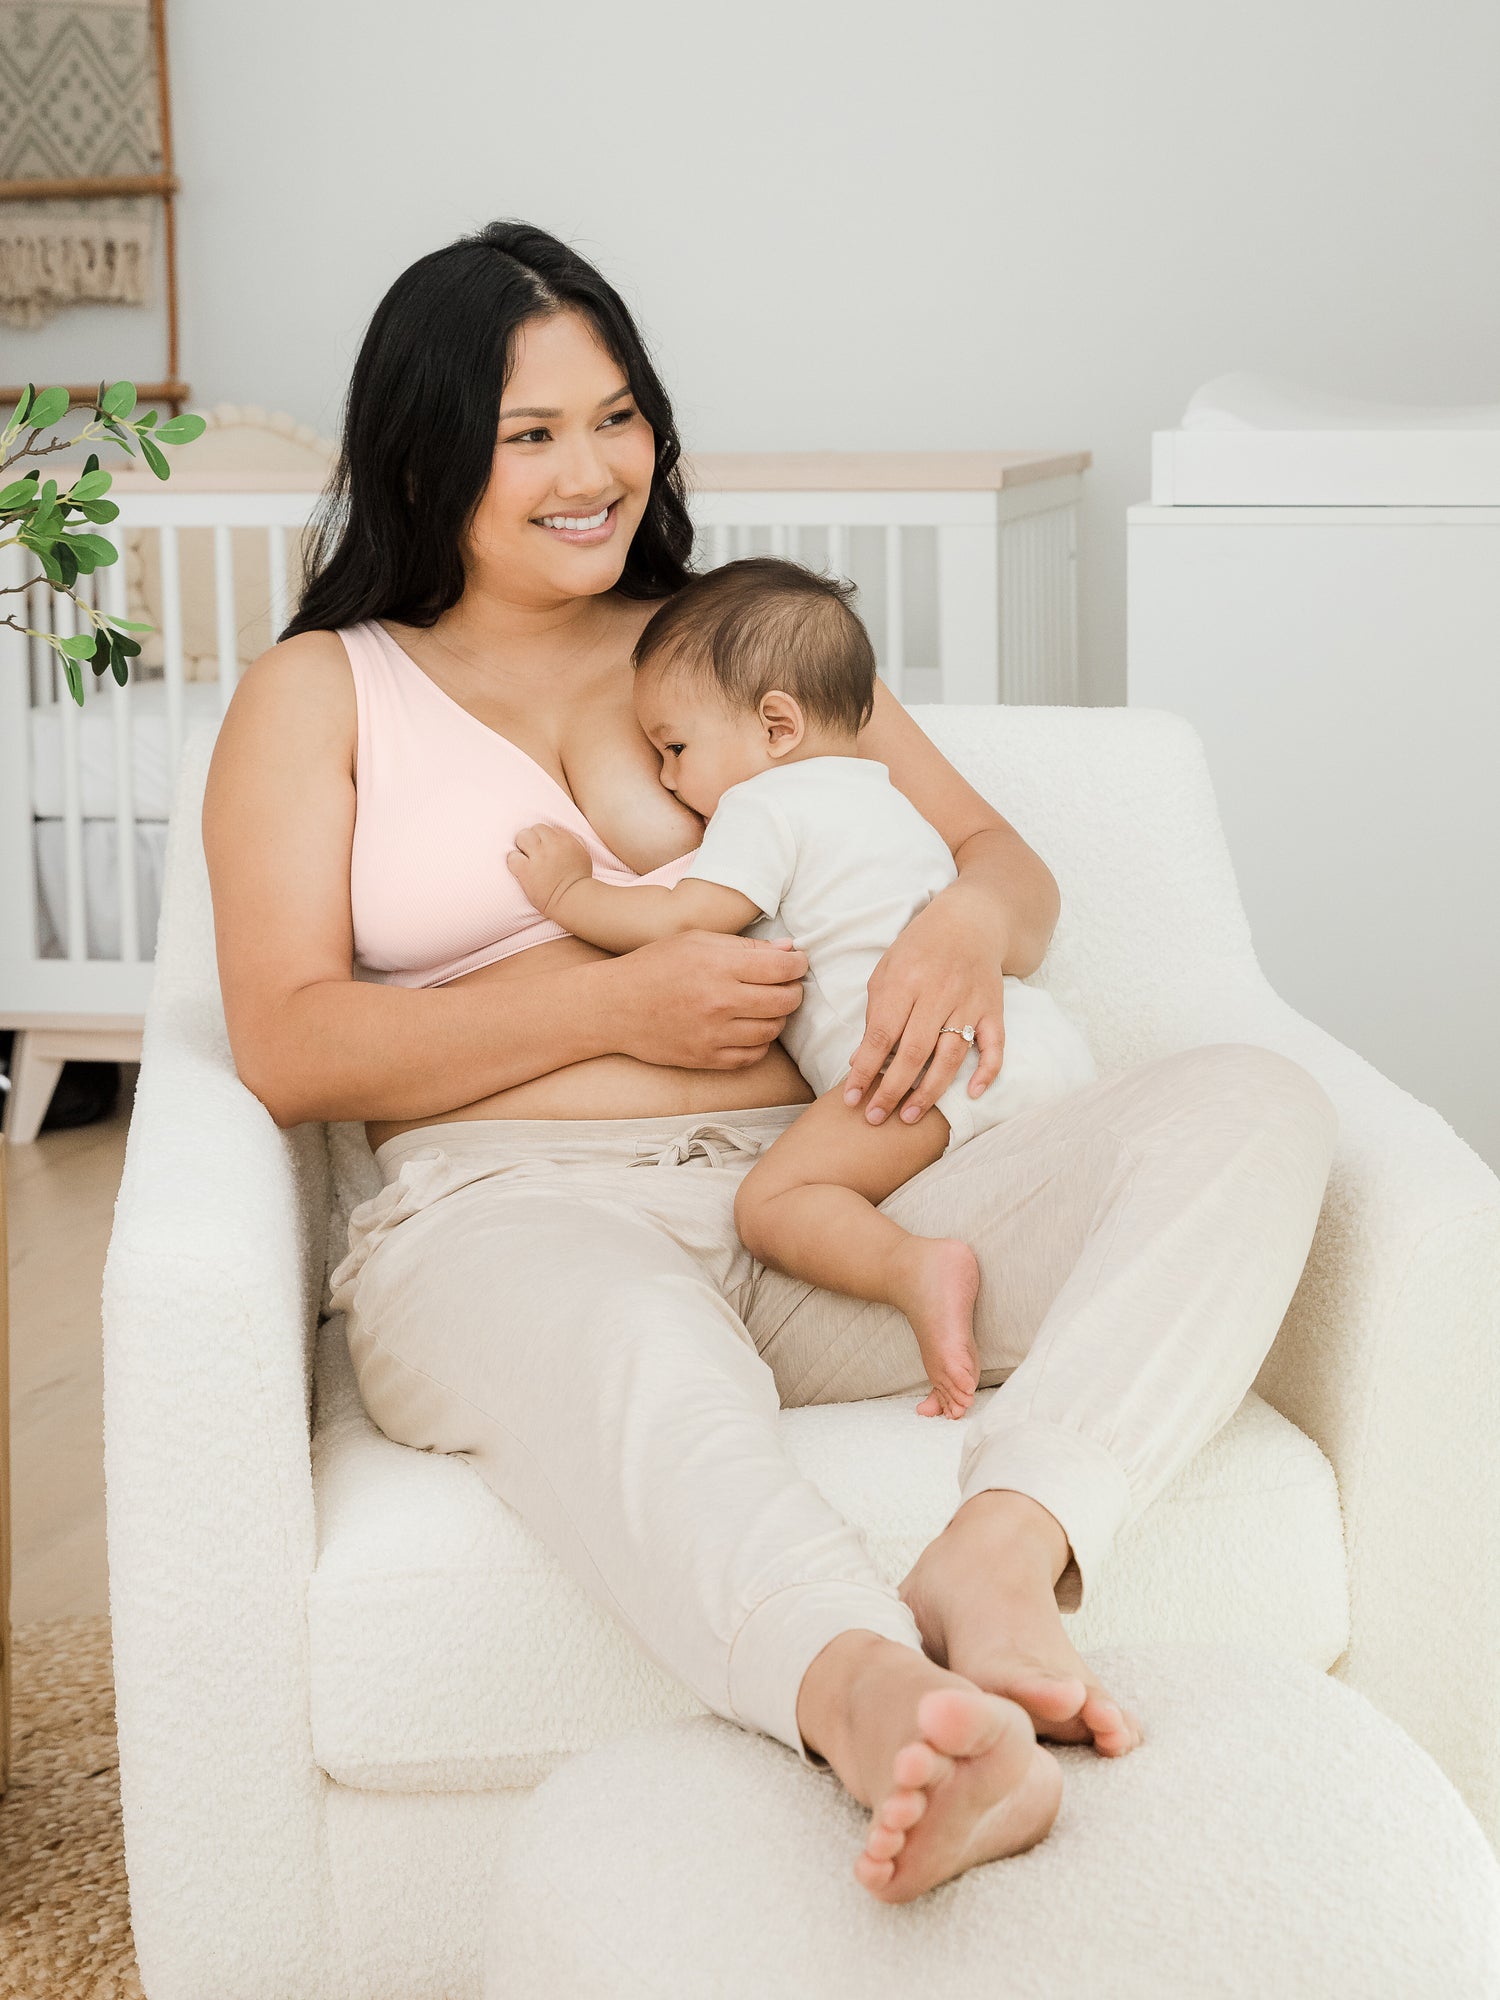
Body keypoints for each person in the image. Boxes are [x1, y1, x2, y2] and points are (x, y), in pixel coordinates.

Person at [203, 218, 1338, 1907]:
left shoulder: (744, 644)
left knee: (1254, 1109)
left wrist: (965, 921)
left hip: (834, 1196)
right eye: (531, 435)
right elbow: (292, 1042)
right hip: (514, 1217)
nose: (593, 468)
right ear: (424, 448)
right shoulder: (325, 688)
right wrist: (604, 1010)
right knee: (642, 1362)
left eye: (617, 414)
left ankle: (1002, 1555)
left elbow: (999, 862)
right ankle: (883, 1708)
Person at [507, 555, 1098, 1420]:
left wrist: (569, 895)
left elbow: (687, 918)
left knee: (774, 1203)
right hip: (1026, 1043)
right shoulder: (884, 793)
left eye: (674, 747)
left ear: (776, 728)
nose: (669, 777)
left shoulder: (765, 806)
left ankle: (915, 1268)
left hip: (914, 1068)